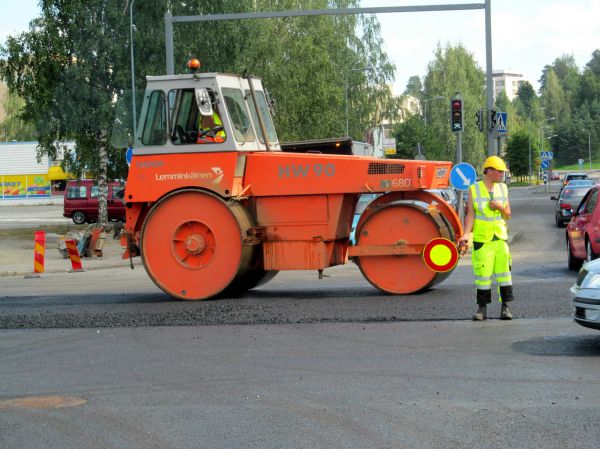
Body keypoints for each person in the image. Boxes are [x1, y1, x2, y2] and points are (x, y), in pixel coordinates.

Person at [458, 155, 514, 321]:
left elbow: (508, 214)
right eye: (499, 171)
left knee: (504, 275)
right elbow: (470, 216)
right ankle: (482, 309)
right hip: (482, 240)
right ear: (489, 171)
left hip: (500, 239)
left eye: (503, 171)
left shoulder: (503, 188)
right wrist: (466, 234)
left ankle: (506, 308)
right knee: (483, 276)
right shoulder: (474, 189)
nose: (502, 174)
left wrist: (499, 207)